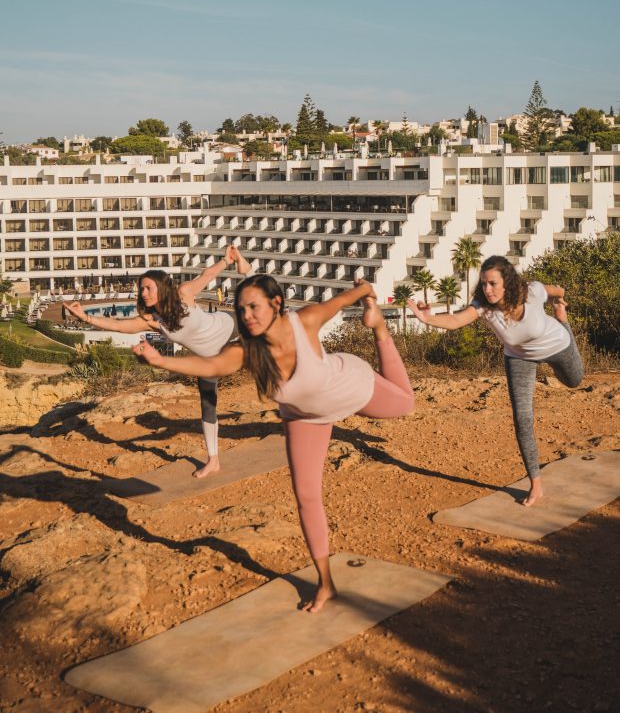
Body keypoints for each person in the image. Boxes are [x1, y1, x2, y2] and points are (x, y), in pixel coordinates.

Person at [132, 276, 415, 612]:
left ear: (276, 304)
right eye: (241, 309)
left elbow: (344, 298)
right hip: (303, 417)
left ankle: (381, 329)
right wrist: (161, 361)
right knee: (307, 496)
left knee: (405, 405)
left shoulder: (305, 321)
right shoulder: (246, 350)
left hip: (350, 385)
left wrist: (368, 294)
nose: (247, 315)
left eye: (254, 306)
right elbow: (210, 365)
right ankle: (326, 584)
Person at [407, 255, 584, 506]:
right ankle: (535, 483)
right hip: (519, 358)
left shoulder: (531, 293)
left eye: (492, 283)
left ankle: (564, 323)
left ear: (507, 282)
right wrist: (428, 319)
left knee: (574, 381)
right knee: (522, 418)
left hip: (557, 344)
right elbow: (456, 320)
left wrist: (559, 300)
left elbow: (557, 289)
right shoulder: (484, 306)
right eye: (484, 284)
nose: (487, 290)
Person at [63, 246, 251, 478]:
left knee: (271, 344)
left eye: (148, 287)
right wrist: (85, 317)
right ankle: (213, 461)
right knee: (208, 404)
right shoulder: (152, 321)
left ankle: (249, 272)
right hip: (208, 359)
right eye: (141, 288)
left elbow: (207, 276)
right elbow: (118, 326)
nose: (143, 292)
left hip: (232, 329)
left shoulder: (183, 294)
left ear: (161, 288)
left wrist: (226, 260)